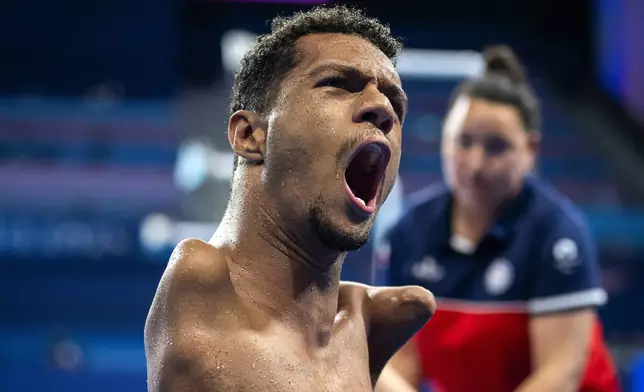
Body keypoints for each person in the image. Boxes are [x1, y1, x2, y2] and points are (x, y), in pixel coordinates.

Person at [144, 5, 435, 392]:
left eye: (395, 105)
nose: (383, 109)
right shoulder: (201, 280)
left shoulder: (364, 327)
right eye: (338, 84)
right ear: (250, 136)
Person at [376, 46, 620, 392]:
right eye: (464, 142)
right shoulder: (406, 235)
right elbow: (400, 364)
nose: (475, 163)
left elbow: (560, 373)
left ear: (530, 150)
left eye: (496, 147)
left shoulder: (558, 234)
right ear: (445, 142)